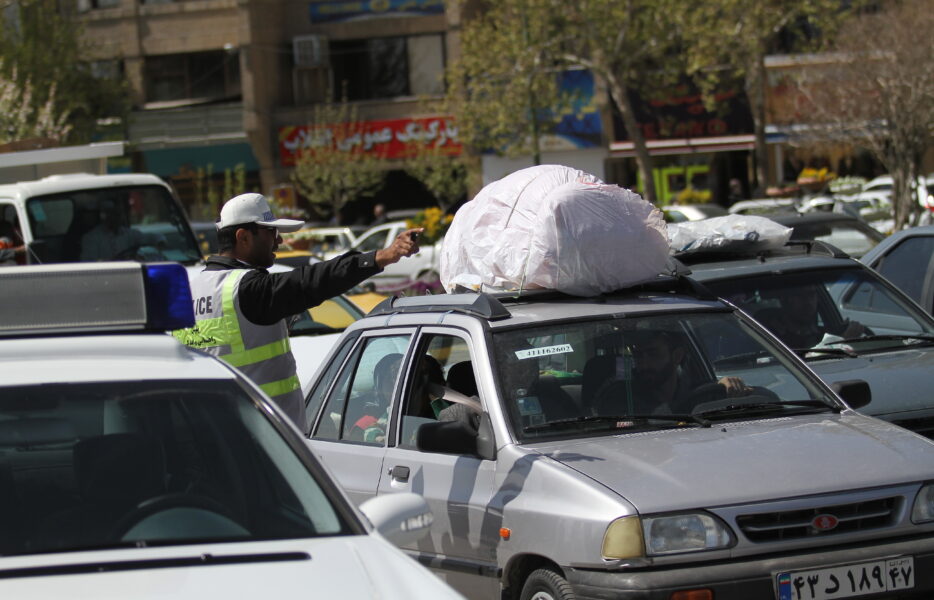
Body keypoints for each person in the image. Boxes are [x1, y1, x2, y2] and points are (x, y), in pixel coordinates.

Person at [173, 192, 422, 425]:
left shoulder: (190, 290)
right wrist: (381, 256)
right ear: (243, 237)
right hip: (266, 438)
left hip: (215, 430)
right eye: (271, 232)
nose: (279, 240)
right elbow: (313, 281)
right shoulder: (247, 289)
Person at [594, 331, 751, 416]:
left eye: (653, 354)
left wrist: (728, 388)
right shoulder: (620, 395)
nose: (644, 363)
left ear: (677, 356)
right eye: (638, 355)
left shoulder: (699, 389)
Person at [757, 286, 866, 349]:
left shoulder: (823, 334)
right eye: (800, 296)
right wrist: (843, 341)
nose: (808, 302)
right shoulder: (772, 339)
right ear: (785, 300)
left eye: (811, 295)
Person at [80, 199, 165, 261]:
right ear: (104, 216)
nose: (116, 218)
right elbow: (89, 264)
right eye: (112, 214)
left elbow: (149, 237)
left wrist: (160, 241)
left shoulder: (128, 234)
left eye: (118, 214)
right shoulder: (91, 238)